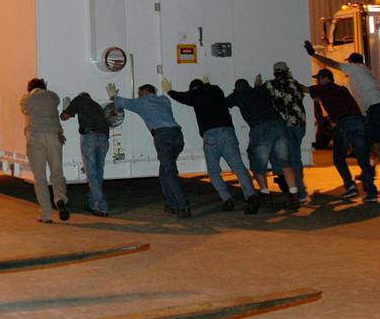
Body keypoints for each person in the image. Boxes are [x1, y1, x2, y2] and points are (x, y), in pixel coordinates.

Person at [305, 43, 380, 195]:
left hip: (376, 108)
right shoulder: (367, 75)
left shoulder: (355, 68)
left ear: (351, 62)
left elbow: (333, 64)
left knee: (376, 146)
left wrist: (314, 55)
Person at [166, 78, 259, 213]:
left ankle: (227, 200)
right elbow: (207, 91)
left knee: (214, 171)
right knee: (238, 167)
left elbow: (182, 97)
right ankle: (251, 196)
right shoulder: (216, 90)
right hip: (228, 132)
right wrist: (208, 84)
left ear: (193, 89)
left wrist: (170, 91)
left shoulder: (194, 95)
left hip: (211, 135)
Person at [108, 82, 188, 217]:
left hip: (163, 137)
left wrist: (113, 95)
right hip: (177, 135)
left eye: (139, 94)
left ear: (145, 93)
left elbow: (120, 102)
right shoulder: (164, 100)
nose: (138, 96)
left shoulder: (142, 102)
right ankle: (171, 203)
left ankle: (183, 205)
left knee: (169, 172)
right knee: (165, 172)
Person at [227, 77, 301, 210]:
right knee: (285, 162)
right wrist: (257, 87)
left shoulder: (238, 95)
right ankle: (294, 195)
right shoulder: (261, 90)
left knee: (258, 164)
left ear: (237, 88)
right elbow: (261, 93)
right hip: (279, 125)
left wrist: (235, 93)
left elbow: (226, 103)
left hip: (260, 128)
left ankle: (265, 194)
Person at [308, 68, 377, 202]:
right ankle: (371, 192)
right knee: (363, 158)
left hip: (344, 123)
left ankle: (350, 187)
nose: (318, 81)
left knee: (339, 157)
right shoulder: (342, 89)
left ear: (327, 78)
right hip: (358, 122)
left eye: (320, 78)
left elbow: (305, 90)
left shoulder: (325, 88)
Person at [20, 78, 70, 223]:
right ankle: (60, 199)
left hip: (35, 138)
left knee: (40, 177)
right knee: (57, 172)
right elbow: (55, 100)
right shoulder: (53, 97)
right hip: (54, 137)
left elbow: (24, 107)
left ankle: (46, 214)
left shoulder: (26, 100)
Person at [264, 61, 310, 203]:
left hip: (285, 126)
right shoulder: (295, 84)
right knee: (295, 158)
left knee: (288, 159)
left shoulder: (269, 85)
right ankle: (296, 188)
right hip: (299, 124)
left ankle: (299, 192)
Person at [61, 90, 111, 217]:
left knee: (92, 174)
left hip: (90, 137)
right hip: (104, 138)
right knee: (98, 173)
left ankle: (102, 206)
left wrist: (67, 108)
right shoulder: (97, 106)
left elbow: (64, 117)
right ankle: (92, 203)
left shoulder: (79, 100)